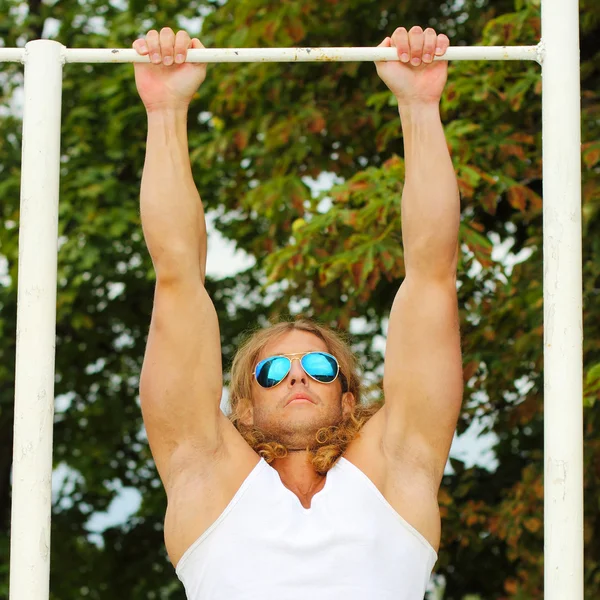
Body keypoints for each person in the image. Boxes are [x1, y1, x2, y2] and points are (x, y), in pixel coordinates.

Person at [133, 24, 463, 600]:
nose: (298, 375)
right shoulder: (205, 475)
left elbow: (432, 276)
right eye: (271, 371)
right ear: (243, 404)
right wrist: (165, 110)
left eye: (319, 365)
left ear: (350, 396)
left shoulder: (398, 471)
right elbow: (176, 278)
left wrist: (418, 104)